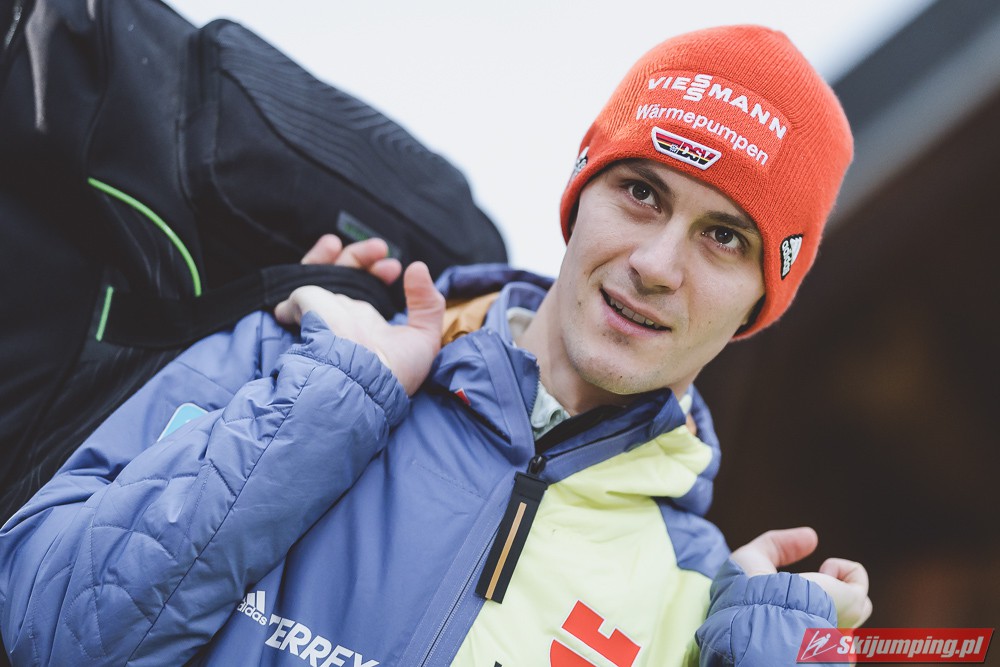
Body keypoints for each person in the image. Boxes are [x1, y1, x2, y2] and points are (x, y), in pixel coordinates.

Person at [0, 25, 871, 666]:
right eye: (642, 192)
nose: (655, 264)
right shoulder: (310, 359)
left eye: (724, 237)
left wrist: (766, 649)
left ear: (762, 300)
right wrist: (325, 404)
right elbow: (53, 629)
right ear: (579, 195)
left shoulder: (697, 598)